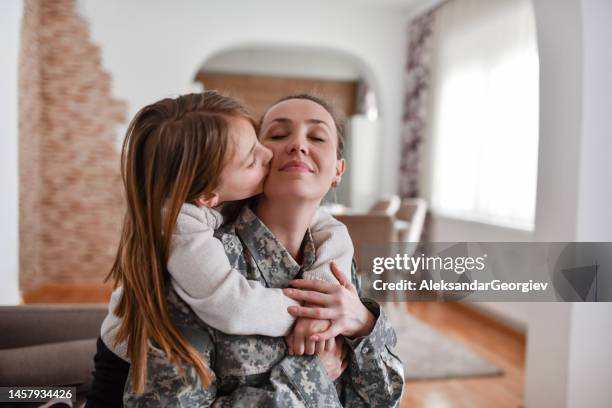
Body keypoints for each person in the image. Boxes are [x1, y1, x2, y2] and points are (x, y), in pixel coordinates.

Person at [89, 94, 405, 407]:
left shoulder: (334, 263)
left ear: (338, 171)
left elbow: (380, 399)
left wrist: (363, 322)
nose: (297, 144)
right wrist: (310, 379)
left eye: (318, 136)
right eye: (278, 135)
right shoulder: (194, 269)